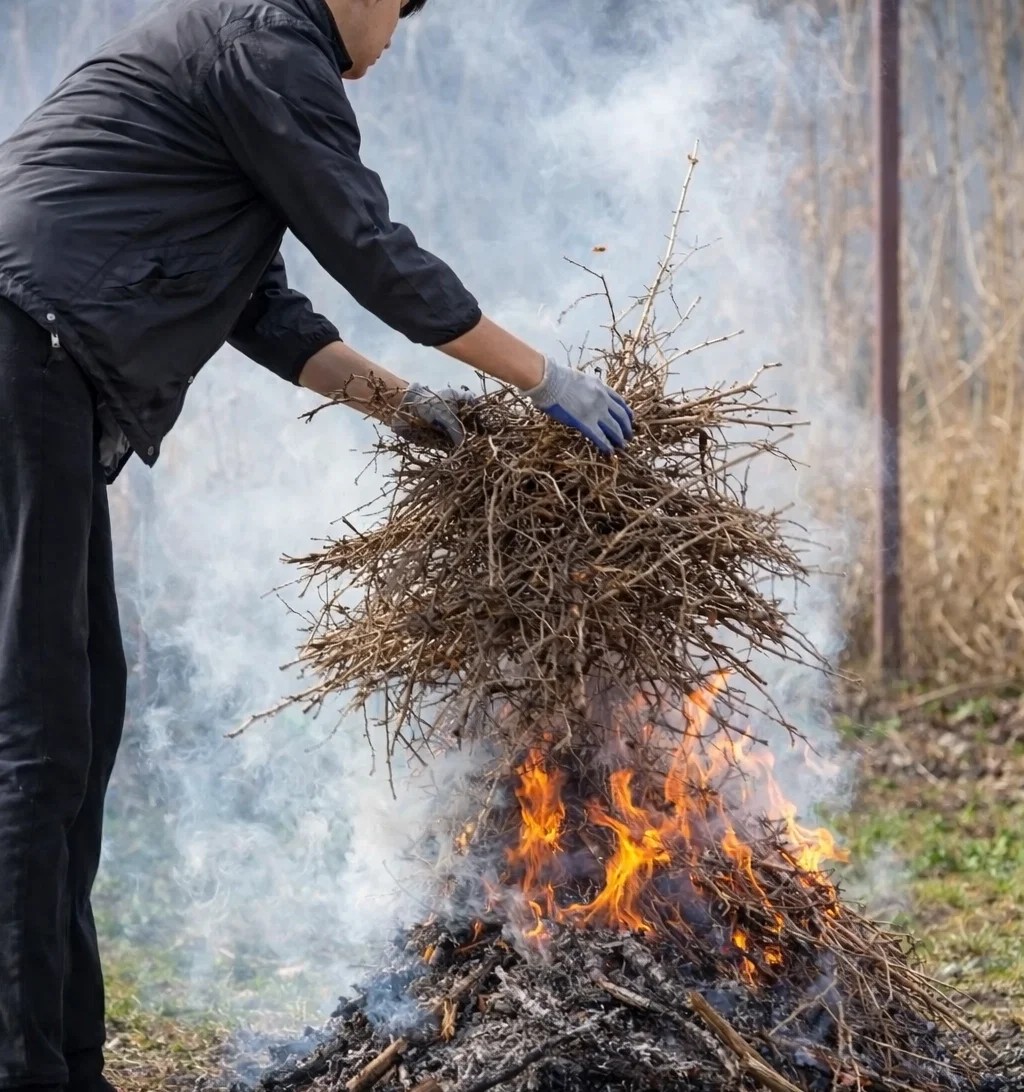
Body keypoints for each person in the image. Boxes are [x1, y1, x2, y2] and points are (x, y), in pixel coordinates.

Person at [0, 0, 635, 1088]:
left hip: (39, 358)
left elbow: (263, 310)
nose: (388, 45)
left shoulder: (232, 59)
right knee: (36, 733)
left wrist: (411, 410)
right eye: (400, 14)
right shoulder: (268, 46)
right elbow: (375, 255)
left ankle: (67, 1059)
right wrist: (544, 379)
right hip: (24, 348)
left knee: (80, 717)